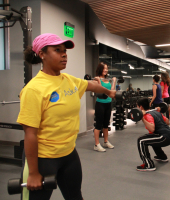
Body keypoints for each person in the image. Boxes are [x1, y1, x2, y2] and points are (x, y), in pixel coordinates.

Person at [18, 33, 116, 200]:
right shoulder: (34, 89)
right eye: (57, 50)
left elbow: (91, 85)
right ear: (42, 54)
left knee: (75, 197)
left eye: (65, 51)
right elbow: (30, 134)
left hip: (69, 154)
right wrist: (33, 173)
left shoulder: (69, 81)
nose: (64, 54)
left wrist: (108, 91)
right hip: (44, 159)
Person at [136, 98, 170, 171]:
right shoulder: (156, 112)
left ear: (141, 107)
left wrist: (142, 118)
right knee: (150, 137)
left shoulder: (147, 115)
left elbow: (152, 129)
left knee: (141, 140)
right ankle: (162, 156)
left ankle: (149, 165)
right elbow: (167, 122)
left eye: (137, 106)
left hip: (164, 137)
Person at [93, 63, 116, 152]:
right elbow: (100, 90)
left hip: (108, 103)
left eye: (106, 68)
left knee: (106, 124)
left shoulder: (107, 80)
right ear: (100, 69)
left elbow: (112, 91)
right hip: (100, 104)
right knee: (99, 124)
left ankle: (105, 142)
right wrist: (98, 81)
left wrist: (114, 81)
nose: (106, 70)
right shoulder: (97, 79)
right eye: (104, 69)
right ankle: (96, 144)